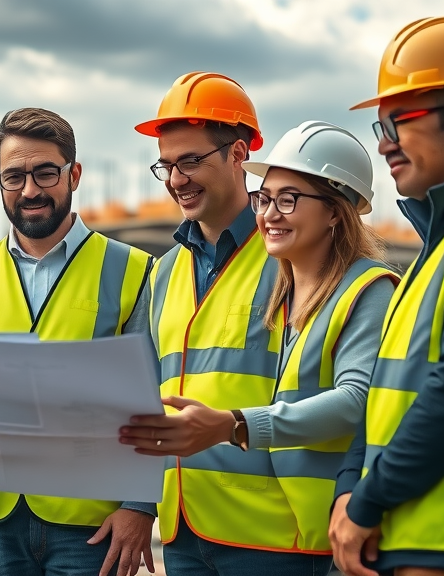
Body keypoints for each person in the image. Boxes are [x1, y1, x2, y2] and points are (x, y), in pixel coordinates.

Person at [125, 116, 397, 573]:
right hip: (189, 525)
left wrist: (233, 425)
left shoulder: (367, 289)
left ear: (335, 209)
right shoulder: (287, 286)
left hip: (287, 533)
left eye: (288, 199)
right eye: (264, 198)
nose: (269, 214)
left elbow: (359, 400)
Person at [0, 107, 155, 576]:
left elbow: (155, 398)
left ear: (74, 174)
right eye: (14, 177)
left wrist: (140, 504)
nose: (30, 190)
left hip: (91, 522)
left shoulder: (133, 271)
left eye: (45, 173)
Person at [120, 72, 331, 575]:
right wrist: (139, 503)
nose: (176, 180)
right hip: (186, 528)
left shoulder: (291, 253)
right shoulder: (166, 269)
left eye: (191, 161)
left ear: (239, 155)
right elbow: (148, 396)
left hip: (273, 529)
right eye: (166, 166)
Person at [329, 16, 444, 576]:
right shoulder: (435, 251)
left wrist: (368, 499)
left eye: (399, 121)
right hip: (401, 539)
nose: (384, 143)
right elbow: (386, 397)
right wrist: (350, 488)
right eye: (378, 128)